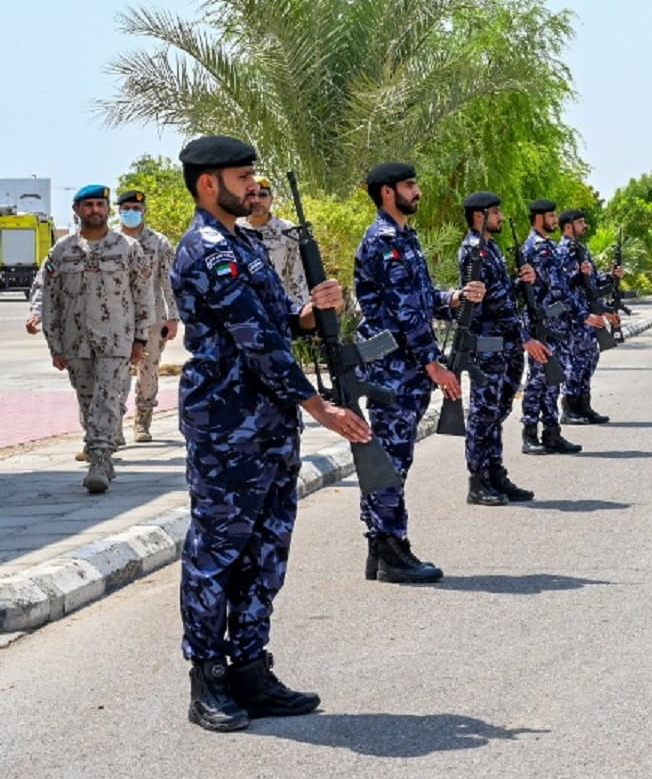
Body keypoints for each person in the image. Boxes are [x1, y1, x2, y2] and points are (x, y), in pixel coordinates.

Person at [170, 135, 370, 732]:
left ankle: (251, 669)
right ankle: (208, 678)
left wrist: (310, 311)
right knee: (216, 554)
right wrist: (319, 406)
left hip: (268, 425)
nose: (252, 185)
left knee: (264, 552)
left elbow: (275, 321)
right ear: (209, 183)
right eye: (241, 176)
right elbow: (256, 344)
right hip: (228, 427)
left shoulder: (244, 243)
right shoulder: (208, 250)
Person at [353, 162, 481, 584]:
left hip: (405, 367)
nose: (418, 191)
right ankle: (391, 549)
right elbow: (406, 313)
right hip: (394, 368)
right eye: (410, 185)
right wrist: (433, 363)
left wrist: (455, 298)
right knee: (389, 459)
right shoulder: (384, 240)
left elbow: (422, 299)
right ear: (387, 192)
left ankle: (381, 548)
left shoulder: (405, 238)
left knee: (397, 458)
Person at [40, 184, 151, 492]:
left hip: (116, 339)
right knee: (88, 400)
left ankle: (99, 459)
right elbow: (51, 301)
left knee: (107, 398)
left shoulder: (127, 248)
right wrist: (55, 345)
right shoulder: (62, 251)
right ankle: (100, 452)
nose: (94, 210)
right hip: (76, 342)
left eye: (100, 205)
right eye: (87, 205)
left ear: (108, 210)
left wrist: (141, 338)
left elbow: (143, 295)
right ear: (77, 211)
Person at [456, 192, 548, 506]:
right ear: (479, 216)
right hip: (489, 345)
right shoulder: (474, 252)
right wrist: (525, 337)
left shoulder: (490, 248)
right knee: (483, 415)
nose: (501, 217)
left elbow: (503, 294)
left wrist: (521, 281)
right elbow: (495, 304)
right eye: (496, 213)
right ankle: (477, 480)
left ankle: (495, 473)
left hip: (504, 344)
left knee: (497, 412)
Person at [519, 199, 588, 452]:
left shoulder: (547, 246)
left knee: (552, 380)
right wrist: (581, 314)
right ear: (539, 218)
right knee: (537, 380)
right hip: (542, 323)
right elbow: (558, 287)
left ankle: (551, 432)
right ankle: (529, 434)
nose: (554, 219)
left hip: (555, 323)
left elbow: (563, 286)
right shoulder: (536, 248)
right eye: (551, 215)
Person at [117, 190, 179, 444]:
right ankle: (113, 426)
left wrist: (173, 317)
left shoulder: (159, 242)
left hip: (152, 318)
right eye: (126, 208)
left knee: (148, 370)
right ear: (118, 211)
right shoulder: (110, 241)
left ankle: (142, 422)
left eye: (136, 208)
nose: (131, 212)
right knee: (115, 372)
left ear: (144, 211)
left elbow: (169, 282)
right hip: (116, 318)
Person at [557, 208, 617, 424]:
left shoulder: (581, 248)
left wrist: (610, 276)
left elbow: (591, 282)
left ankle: (584, 405)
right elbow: (561, 286)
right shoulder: (562, 251)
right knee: (574, 363)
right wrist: (578, 274)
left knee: (589, 359)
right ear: (568, 226)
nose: (585, 226)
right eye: (580, 222)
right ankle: (570, 408)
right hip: (575, 317)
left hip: (589, 314)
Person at [237, 178, 308, 310]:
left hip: (280, 308)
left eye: (263, 195)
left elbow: (298, 275)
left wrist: (303, 314)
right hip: (245, 310)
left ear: (272, 199)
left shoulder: (287, 230)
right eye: (251, 195)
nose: (257, 200)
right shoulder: (233, 230)